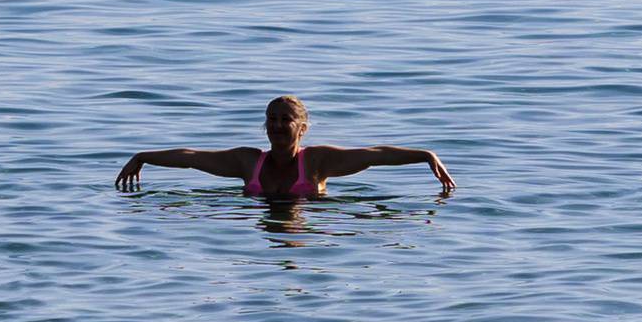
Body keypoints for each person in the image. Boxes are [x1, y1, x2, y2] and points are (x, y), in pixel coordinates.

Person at [115, 96, 455, 200]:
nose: (277, 126)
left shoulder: (319, 161)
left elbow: (373, 155)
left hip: (310, 223)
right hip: (257, 232)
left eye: (285, 119)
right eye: (272, 119)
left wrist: (424, 155)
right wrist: (143, 156)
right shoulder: (248, 162)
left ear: (301, 128)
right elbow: (192, 159)